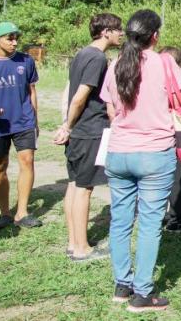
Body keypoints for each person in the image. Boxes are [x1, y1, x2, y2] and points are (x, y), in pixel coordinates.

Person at [99, 9, 179, 311]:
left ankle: (123, 283)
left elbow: (110, 109)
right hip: (154, 154)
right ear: (155, 36)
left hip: (119, 152)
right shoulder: (164, 63)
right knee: (148, 223)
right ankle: (143, 293)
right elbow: (179, 102)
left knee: (120, 220)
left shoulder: (116, 64)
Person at [52, 13, 123, 262]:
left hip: (80, 132)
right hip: (89, 130)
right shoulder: (96, 58)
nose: (121, 34)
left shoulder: (82, 54)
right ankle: (82, 248)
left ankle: (74, 242)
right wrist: (68, 126)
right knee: (85, 189)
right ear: (106, 32)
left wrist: (68, 125)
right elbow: (80, 96)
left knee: (74, 185)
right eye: (118, 30)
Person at [0, 22, 42, 230]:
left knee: (27, 161)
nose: (14, 42)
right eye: (9, 38)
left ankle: (22, 213)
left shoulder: (26, 61)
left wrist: (35, 120)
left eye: (16, 38)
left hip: (24, 121)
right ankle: (4, 213)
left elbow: (31, 91)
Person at [159, 46, 181, 233]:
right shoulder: (177, 80)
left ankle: (166, 215)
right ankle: (177, 218)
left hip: (161, 135)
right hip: (174, 132)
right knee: (179, 176)